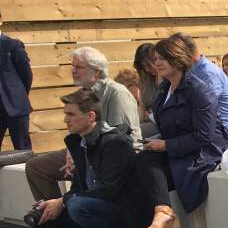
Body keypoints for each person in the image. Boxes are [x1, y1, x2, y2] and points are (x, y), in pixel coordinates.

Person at [134, 35, 228, 228]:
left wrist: (166, 146)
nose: (157, 63)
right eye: (155, 58)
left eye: (163, 58)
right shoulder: (165, 89)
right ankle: (163, 216)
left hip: (203, 153)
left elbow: (204, 137)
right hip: (179, 149)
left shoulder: (198, 90)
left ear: (178, 58)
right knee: (141, 162)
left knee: (149, 169)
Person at [30, 89, 153, 228]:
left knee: (77, 206)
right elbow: (79, 186)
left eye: (71, 114)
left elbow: (109, 189)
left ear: (90, 116)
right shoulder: (80, 143)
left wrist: (64, 200)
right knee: (41, 217)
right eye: (65, 114)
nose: (65, 120)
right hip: (105, 207)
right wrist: (54, 203)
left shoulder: (114, 142)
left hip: (130, 214)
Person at [27, 47, 142, 210]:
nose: (73, 71)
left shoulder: (117, 93)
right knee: (36, 167)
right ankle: (54, 214)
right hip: (86, 148)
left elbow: (122, 135)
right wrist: (70, 153)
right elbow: (76, 134)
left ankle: (67, 211)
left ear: (96, 71)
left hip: (111, 154)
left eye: (79, 67)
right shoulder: (81, 94)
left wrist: (81, 155)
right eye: (72, 66)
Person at [173, 34, 228, 144]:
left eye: (172, 55)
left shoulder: (208, 73)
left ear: (183, 53)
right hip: (203, 128)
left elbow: (207, 109)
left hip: (222, 132)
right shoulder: (191, 70)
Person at [0, 12, 33, 150]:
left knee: (23, 150)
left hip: (16, 107)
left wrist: (18, 96)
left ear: (1, 20)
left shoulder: (13, 45)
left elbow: (27, 75)